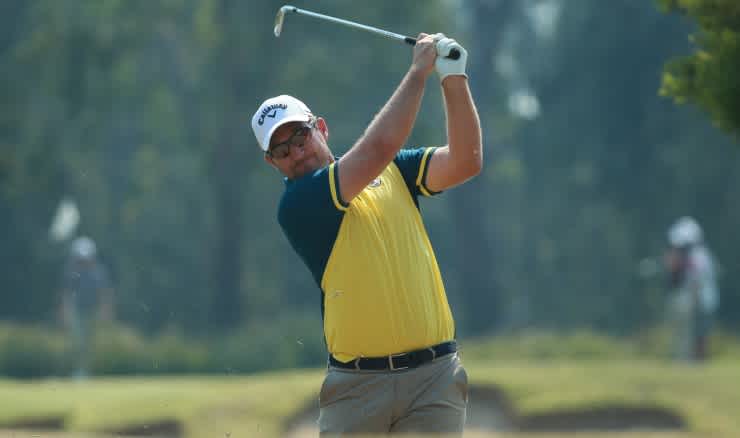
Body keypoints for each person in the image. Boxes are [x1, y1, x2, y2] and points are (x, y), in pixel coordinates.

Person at [251, 33, 481, 435]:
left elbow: (465, 161)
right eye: (282, 151)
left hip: (434, 378)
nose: (297, 154)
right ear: (272, 163)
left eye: (300, 138)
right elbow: (378, 148)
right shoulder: (300, 204)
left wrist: (453, 78)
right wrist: (417, 72)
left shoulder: (396, 171)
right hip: (357, 389)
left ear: (320, 127)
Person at [664, 217, 719, 362]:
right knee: (689, 333)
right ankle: (688, 360)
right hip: (695, 301)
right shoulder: (692, 256)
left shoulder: (699, 256)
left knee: (700, 334)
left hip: (702, 301)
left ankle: (697, 361)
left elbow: (697, 281)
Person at [59, 236, 115, 378]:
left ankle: (91, 371)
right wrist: (65, 312)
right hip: (77, 311)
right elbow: (66, 293)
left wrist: (105, 311)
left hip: (93, 311)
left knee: (92, 344)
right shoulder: (71, 272)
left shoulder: (98, 272)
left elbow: (104, 293)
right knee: (78, 343)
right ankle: (79, 371)